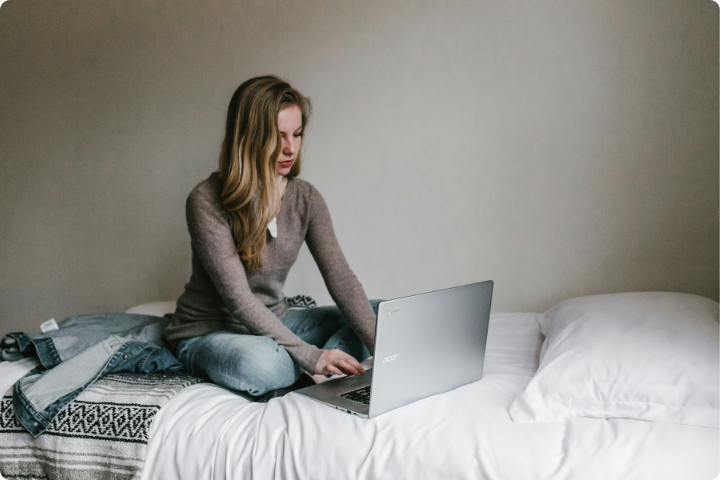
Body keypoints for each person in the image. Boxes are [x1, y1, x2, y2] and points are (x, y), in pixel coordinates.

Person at [164, 75, 379, 400]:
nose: (290, 148)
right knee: (265, 365)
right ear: (249, 137)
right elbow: (239, 300)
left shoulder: (305, 197)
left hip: (278, 321)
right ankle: (312, 364)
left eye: (297, 134)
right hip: (211, 332)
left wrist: (386, 349)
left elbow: (342, 279)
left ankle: (327, 370)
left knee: (383, 314)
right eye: (277, 137)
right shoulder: (206, 200)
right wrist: (311, 355)